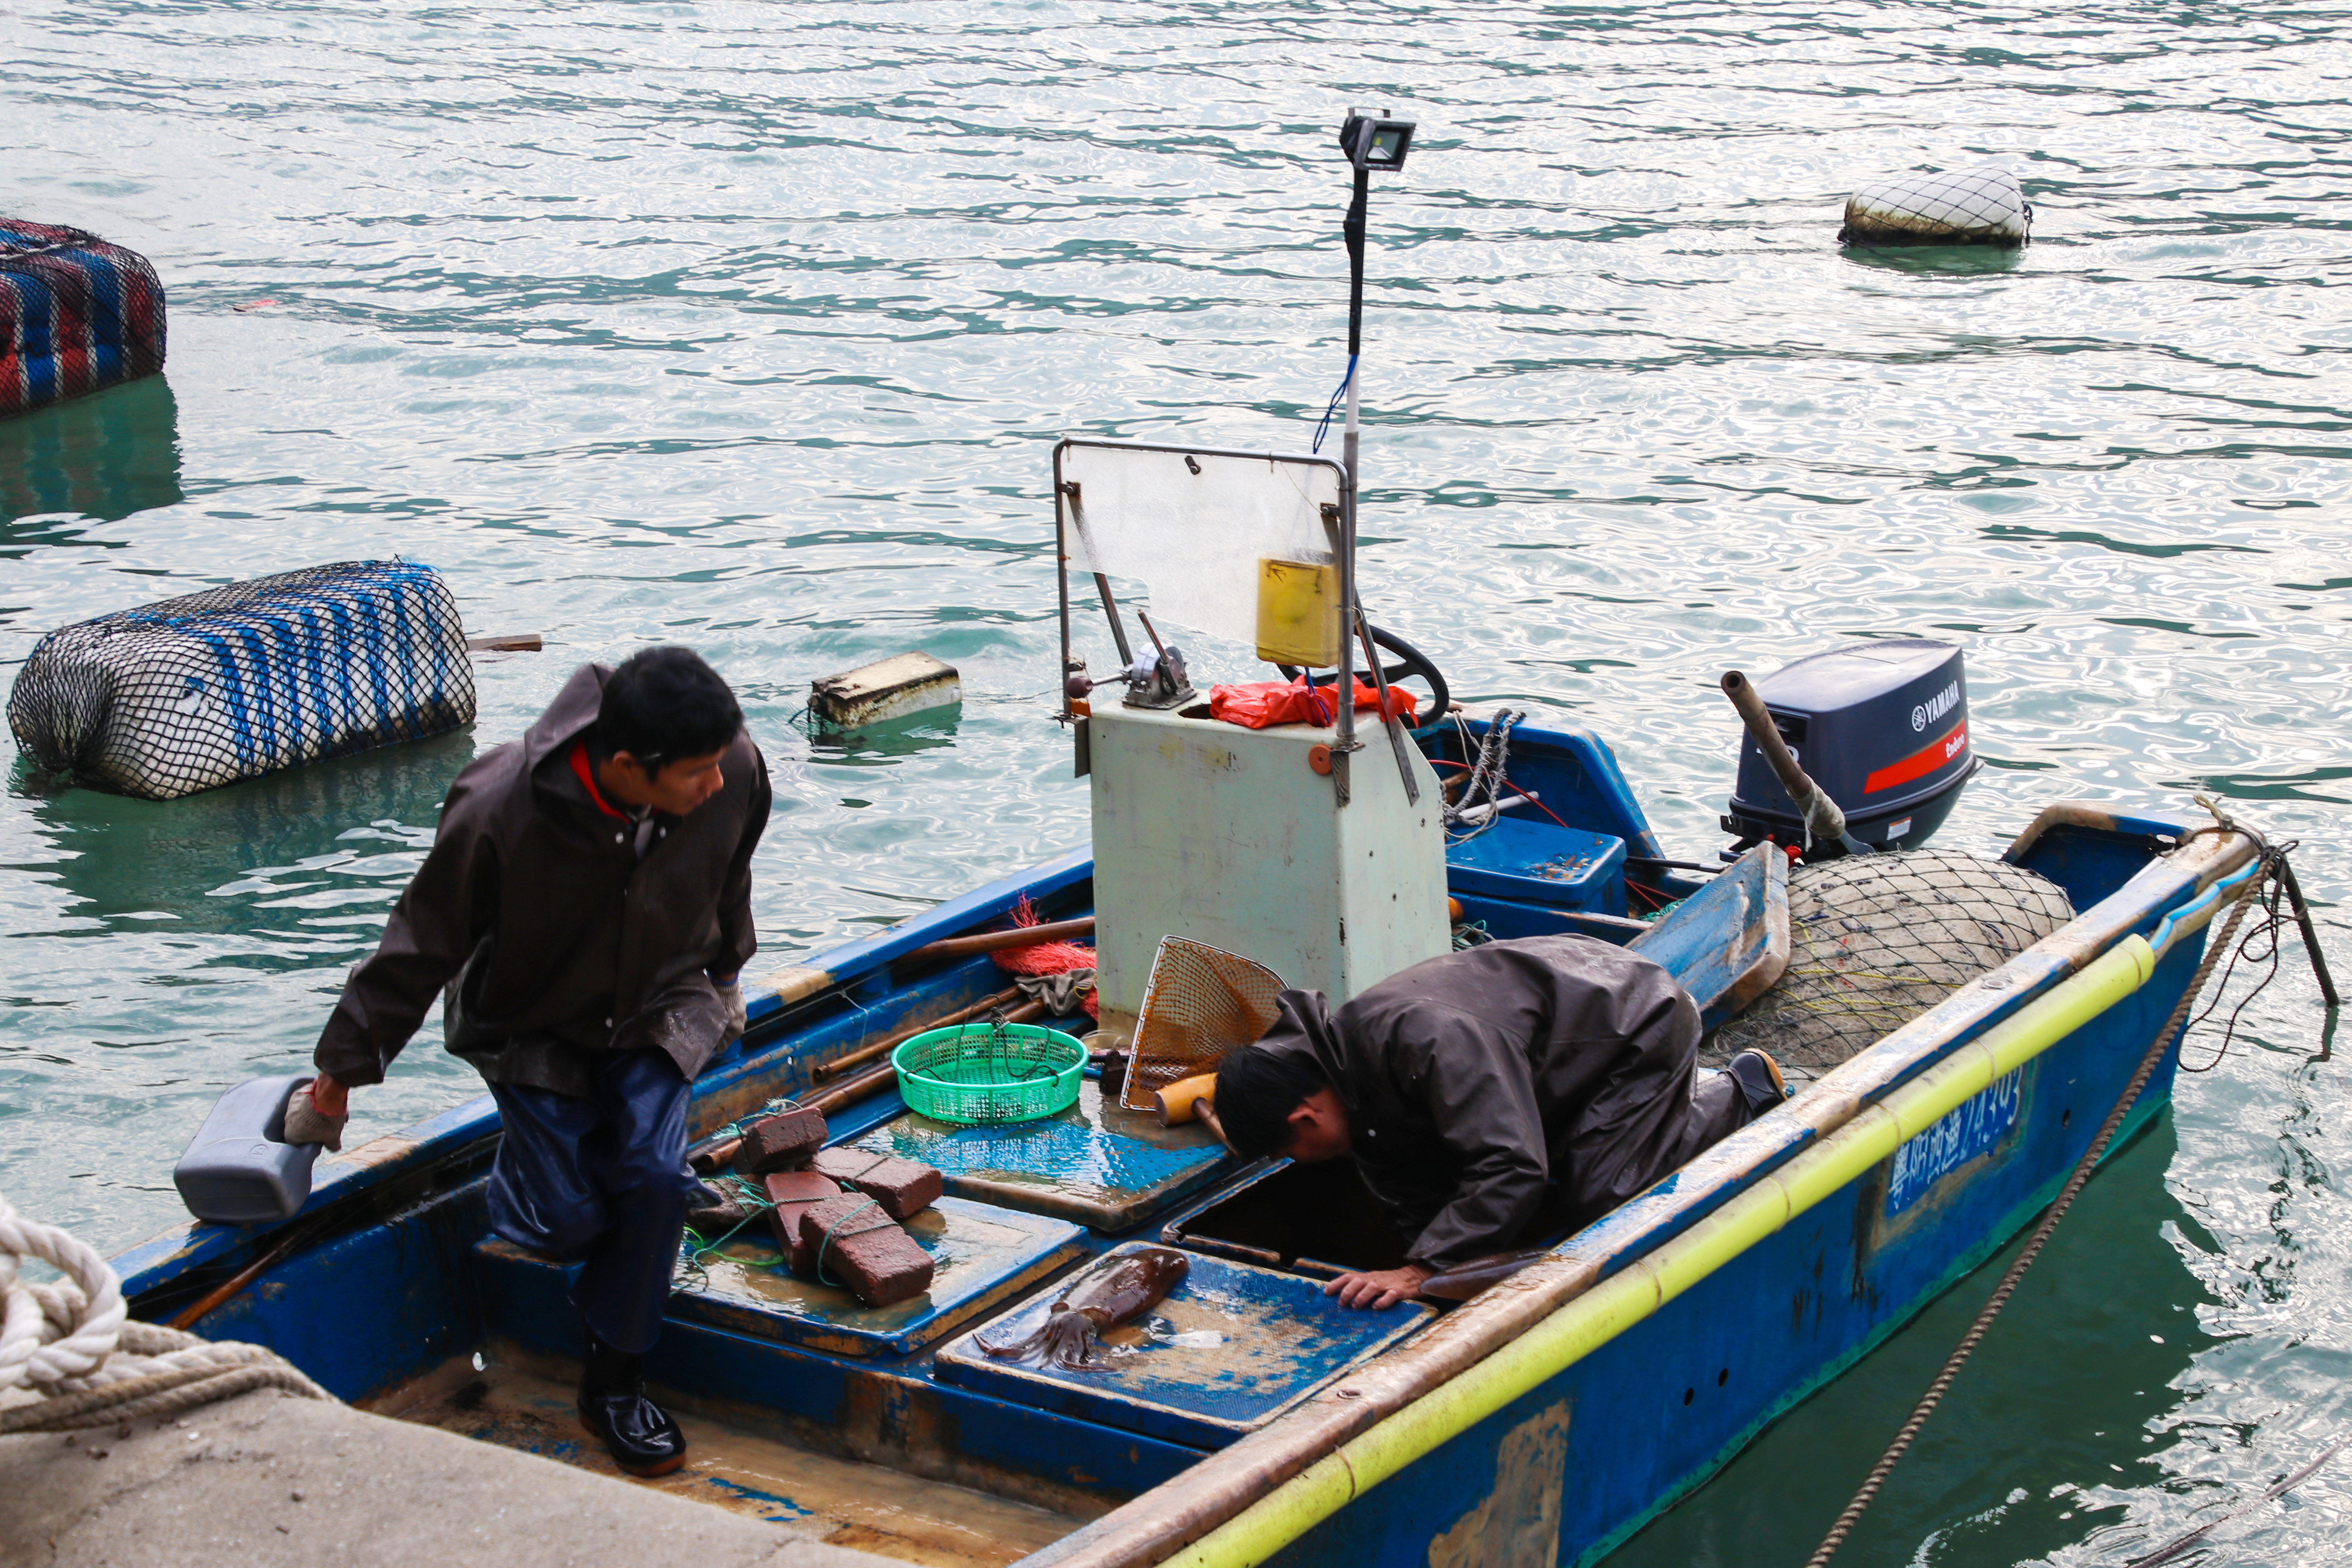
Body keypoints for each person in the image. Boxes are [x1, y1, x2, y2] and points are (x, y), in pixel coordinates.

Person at [281, 646, 771, 1476]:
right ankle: (541, 1189)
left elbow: (731, 871)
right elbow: (417, 946)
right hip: (533, 1019)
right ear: (627, 765)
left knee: (652, 1178)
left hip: (660, 1002)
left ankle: (613, 1379)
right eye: (694, 774)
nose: (715, 784)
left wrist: (726, 975)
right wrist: (335, 1083)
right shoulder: (498, 806)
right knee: (574, 1220)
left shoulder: (733, 765)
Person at [1208, 935, 1788, 1310]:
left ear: (1305, 1117)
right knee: (1522, 1184)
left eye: (1293, 1152)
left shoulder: (1427, 1040)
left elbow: (1512, 1163)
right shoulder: (1342, 1076)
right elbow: (1407, 1185)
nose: (1302, 1163)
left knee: (1603, 1196)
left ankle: (1737, 1093)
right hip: (1548, 1055)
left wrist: (1423, 1268)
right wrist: (1430, 1277)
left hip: (1634, 1023)